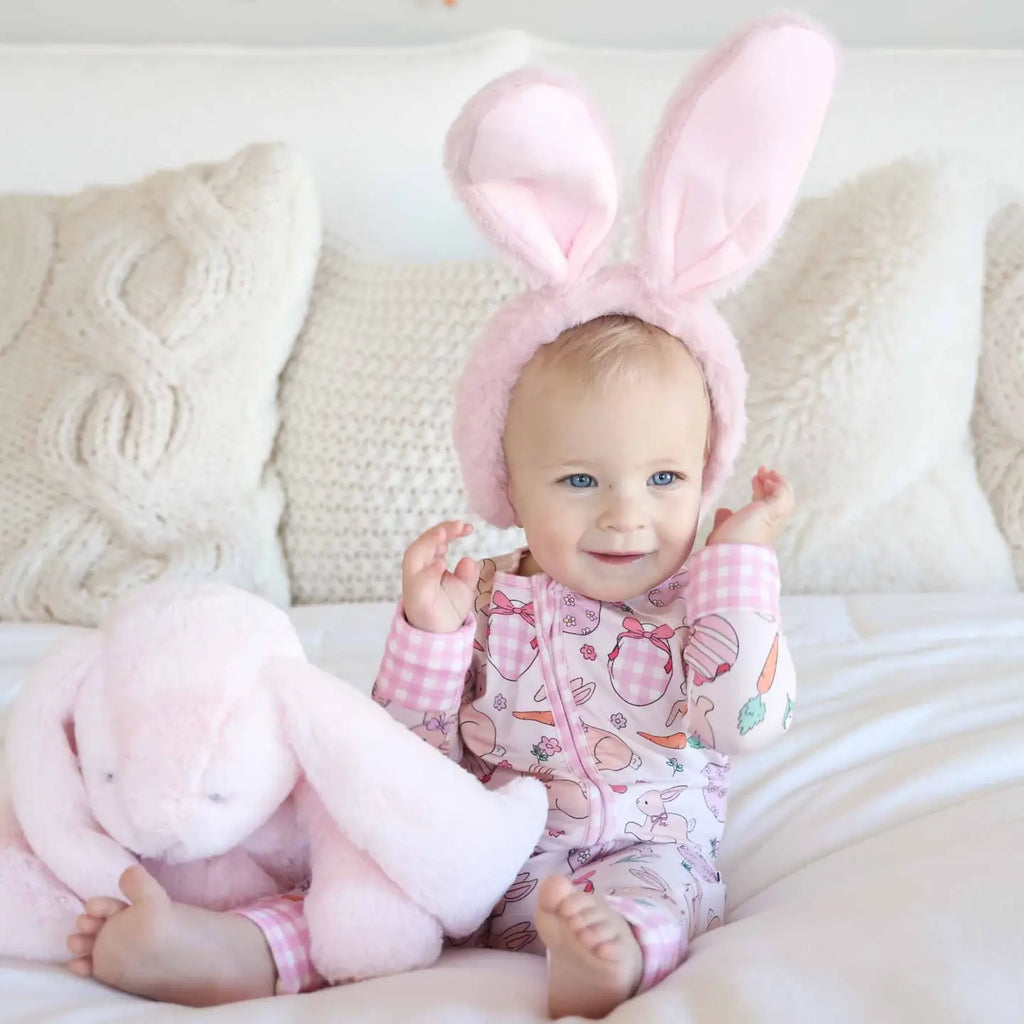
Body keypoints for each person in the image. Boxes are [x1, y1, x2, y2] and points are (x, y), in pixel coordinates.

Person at [65, 15, 834, 1018]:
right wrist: (430, 633)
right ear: (506, 484)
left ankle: (604, 960)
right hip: (477, 847)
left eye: (664, 479)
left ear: (706, 476)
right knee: (362, 890)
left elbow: (744, 717)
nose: (625, 516)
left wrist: (741, 559)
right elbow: (406, 752)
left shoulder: (701, 602)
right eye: (578, 481)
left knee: (658, 901)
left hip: (641, 850)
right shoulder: (490, 598)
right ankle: (223, 950)